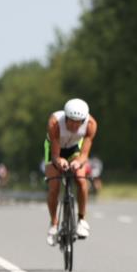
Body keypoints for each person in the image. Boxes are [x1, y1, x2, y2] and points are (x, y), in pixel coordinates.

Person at [44, 98, 97, 246]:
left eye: (78, 122)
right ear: (65, 117)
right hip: (54, 149)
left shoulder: (91, 125)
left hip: (74, 148)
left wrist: (78, 162)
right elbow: (55, 155)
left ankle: (81, 220)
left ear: (84, 120)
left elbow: (84, 154)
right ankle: (54, 224)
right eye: (71, 121)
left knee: (81, 179)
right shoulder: (55, 123)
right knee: (54, 186)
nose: (74, 126)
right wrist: (59, 161)